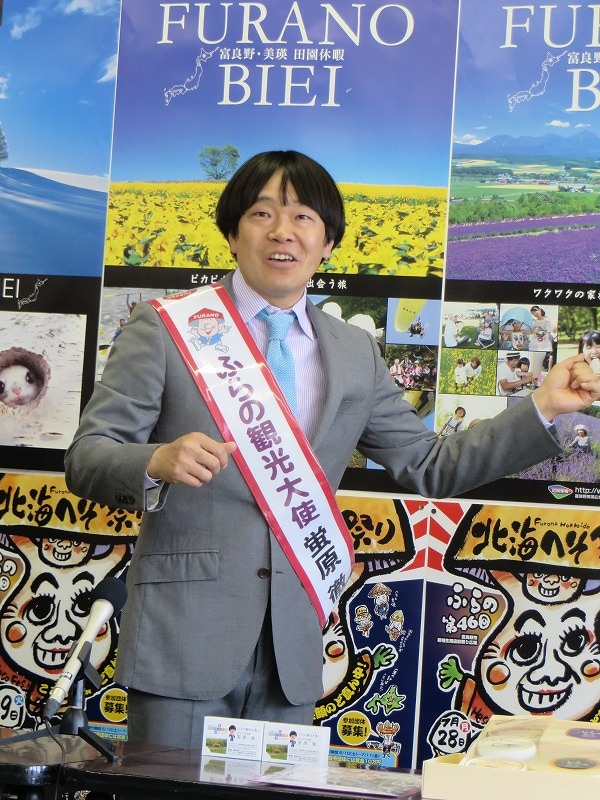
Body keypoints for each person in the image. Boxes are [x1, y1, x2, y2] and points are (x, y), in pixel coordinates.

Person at [64, 150, 600, 750]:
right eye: (262, 214)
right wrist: (155, 462)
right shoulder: (166, 329)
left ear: (329, 241)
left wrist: (545, 407)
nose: (282, 232)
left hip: (292, 649)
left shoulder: (354, 351)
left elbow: (431, 465)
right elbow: (87, 457)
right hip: (183, 636)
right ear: (233, 233)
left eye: (303, 218)